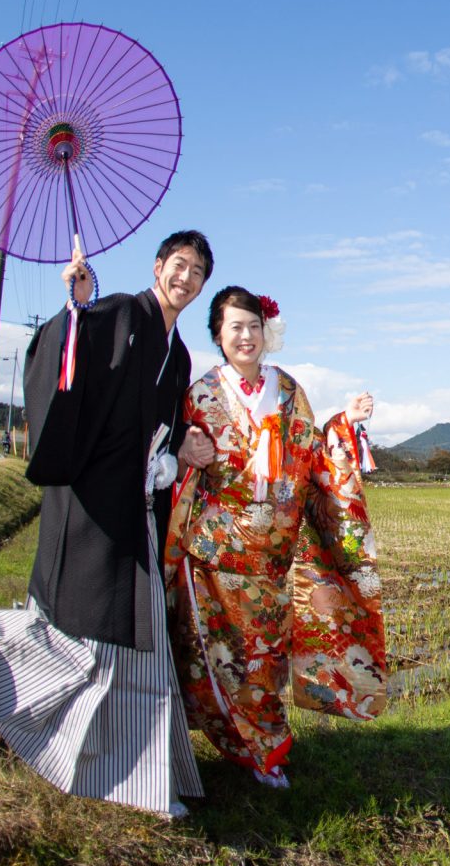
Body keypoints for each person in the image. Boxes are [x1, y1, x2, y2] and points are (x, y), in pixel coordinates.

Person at [0, 230, 218, 818]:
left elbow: (167, 423)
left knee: (137, 632)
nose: (185, 278)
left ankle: (133, 771)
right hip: (94, 502)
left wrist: (178, 450)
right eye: (179, 265)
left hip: (139, 504)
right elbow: (66, 363)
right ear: (158, 265)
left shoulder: (181, 353)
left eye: (197, 272)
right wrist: (77, 308)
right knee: (89, 631)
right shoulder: (116, 312)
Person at [163, 286, 388, 789]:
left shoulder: (288, 391)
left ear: (267, 332)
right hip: (214, 554)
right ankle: (235, 749)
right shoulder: (199, 395)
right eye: (234, 327)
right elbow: (177, 454)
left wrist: (343, 425)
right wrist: (182, 449)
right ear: (218, 335)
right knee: (214, 658)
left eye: (252, 326)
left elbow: (312, 454)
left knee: (263, 661)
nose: (245, 336)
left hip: (270, 561)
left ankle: (264, 747)